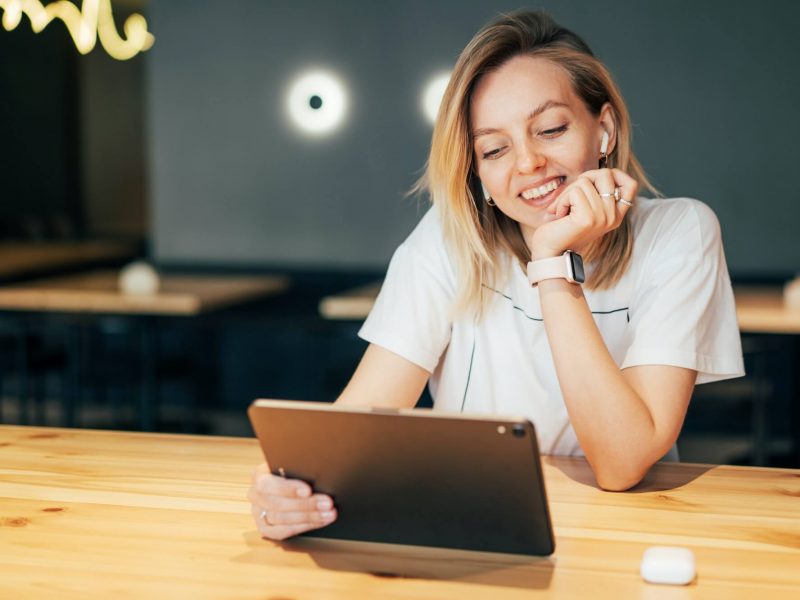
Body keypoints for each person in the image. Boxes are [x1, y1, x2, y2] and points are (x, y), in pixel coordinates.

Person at [248, 9, 744, 541]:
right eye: (495, 149)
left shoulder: (680, 231)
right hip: (471, 523)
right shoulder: (447, 239)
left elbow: (620, 464)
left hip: (626, 533)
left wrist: (553, 264)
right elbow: (352, 426)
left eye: (550, 129)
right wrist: (285, 490)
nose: (527, 162)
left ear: (604, 129)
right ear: (478, 173)